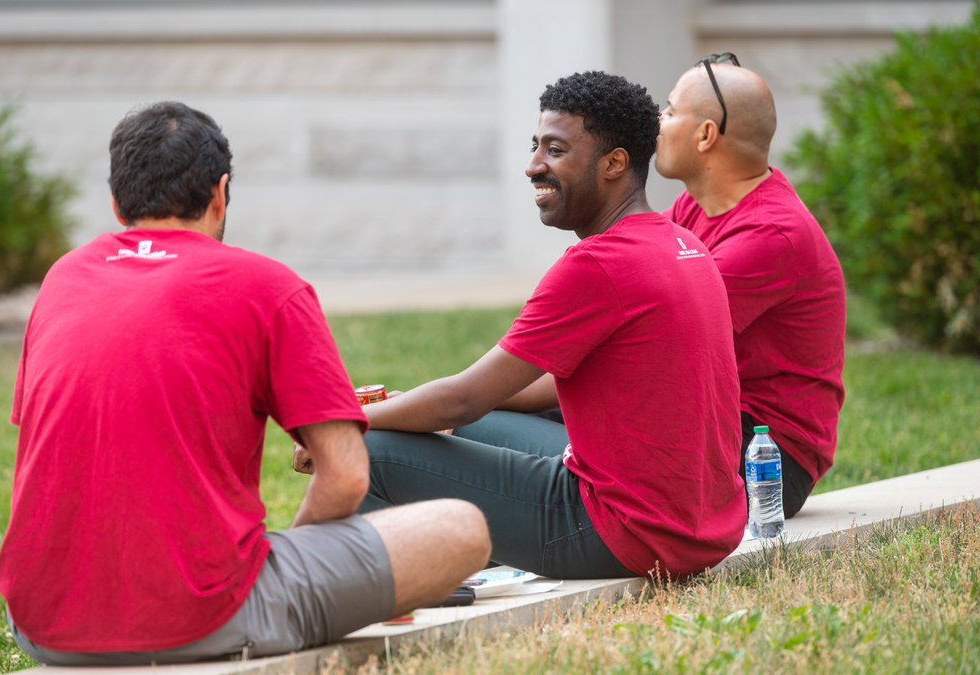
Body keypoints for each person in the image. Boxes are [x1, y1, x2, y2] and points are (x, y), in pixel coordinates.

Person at [0, 101, 490, 666]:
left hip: (40, 625)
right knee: (460, 528)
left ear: (115, 201)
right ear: (221, 193)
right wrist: (303, 558)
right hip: (203, 616)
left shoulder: (62, 279)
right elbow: (347, 476)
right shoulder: (267, 286)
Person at [346, 72, 745, 580]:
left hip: (624, 533)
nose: (534, 166)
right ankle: (458, 551)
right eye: (535, 146)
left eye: (555, 150)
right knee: (455, 425)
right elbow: (482, 403)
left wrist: (340, 422)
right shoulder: (681, 244)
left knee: (365, 451)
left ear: (614, 164)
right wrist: (411, 410)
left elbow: (463, 398)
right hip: (702, 526)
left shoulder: (598, 265)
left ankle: (389, 587)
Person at [655, 54, 847, 518]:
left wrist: (476, 398)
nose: (656, 122)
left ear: (705, 135)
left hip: (766, 457)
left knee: (531, 433)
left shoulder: (770, 236)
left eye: (669, 110)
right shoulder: (695, 207)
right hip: (713, 422)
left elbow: (643, 345)